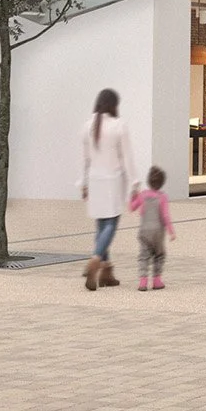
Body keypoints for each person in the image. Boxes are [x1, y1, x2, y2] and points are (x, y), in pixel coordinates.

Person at [79, 88, 140, 291]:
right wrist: (135, 183)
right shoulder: (118, 126)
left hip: (94, 180)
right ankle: (96, 259)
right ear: (114, 105)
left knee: (100, 225)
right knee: (111, 224)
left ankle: (106, 273)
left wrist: (83, 183)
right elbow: (127, 157)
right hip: (113, 180)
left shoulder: (88, 126)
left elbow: (85, 159)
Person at [129, 164, 175, 291]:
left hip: (144, 231)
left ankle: (143, 282)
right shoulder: (162, 197)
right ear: (162, 183)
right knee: (159, 255)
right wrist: (171, 232)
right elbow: (165, 216)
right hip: (158, 232)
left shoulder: (142, 195)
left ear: (148, 181)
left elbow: (131, 208)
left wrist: (133, 196)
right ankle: (156, 280)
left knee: (144, 255)